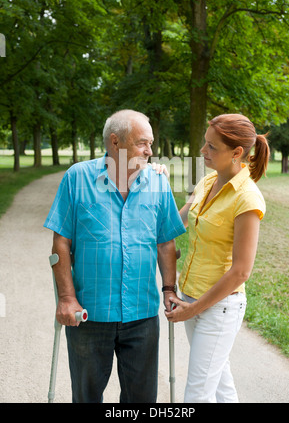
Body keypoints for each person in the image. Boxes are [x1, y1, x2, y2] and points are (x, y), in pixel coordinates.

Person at [44, 109, 186, 403]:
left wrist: (169, 289)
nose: (150, 151)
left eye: (151, 143)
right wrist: (67, 298)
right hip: (90, 313)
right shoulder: (78, 178)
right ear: (115, 142)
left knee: (142, 400)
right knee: (86, 396)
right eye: (142, 143)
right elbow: (61, 243)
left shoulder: (158, 182)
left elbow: (165, 243)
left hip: (142, 314)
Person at [165, 113, 270, 403]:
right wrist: (159, 188)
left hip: (219, 308)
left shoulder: (247, 199)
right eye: (205, 144)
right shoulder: (207, 181)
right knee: (220, 384)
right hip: (191, 297)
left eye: (212, 147)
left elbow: (241, 272)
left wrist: (194, 308)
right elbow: (176, 223)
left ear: (237, 153)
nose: (203, 151)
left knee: (197, 394)